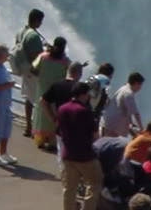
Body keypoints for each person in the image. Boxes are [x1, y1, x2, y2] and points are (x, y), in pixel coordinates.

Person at [57, 81, 103, 210]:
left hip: (67, 154)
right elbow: (95, 135)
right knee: (95, 183)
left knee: (69, 188)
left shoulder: (62, 108)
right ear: (83, 94)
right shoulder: (85, 111)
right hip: (85, 156)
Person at [31, 37, 70, 149]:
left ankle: (40, 140)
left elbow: (32, 69)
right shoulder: (65, 61)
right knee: (54, 114)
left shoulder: (43, 57)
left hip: (42, 89)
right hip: (57, 92)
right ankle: (52, 142)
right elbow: (70, 75)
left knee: (41, 114)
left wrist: (41, 76)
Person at [40, 60, 87, 154]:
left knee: (61, 155)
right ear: (80, 73)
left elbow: (43, 101)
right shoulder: (81, 89)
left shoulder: (57, 85)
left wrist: (53, 118)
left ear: (68, 70)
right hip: (76, 129)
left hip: (60, 126)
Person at [14, 8, 45, 137]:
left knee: (28, 99)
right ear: (37, 20)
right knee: (39, 100)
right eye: (41, 21)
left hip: (24, 69)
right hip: (33, 72)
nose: (41, 23)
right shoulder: (34, 36)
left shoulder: (21, 32)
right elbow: (36, 57)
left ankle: (28, 127)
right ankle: (35, 130)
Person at [102, 71, 145, 137]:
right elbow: (135, 113)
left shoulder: (123, 88)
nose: (140, 88)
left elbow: (127, 110)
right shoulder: (128, 94)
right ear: (136, 83)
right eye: (140, 85)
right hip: (114, 127)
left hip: (108, 123)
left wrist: (131, 123)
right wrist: (142, 129)